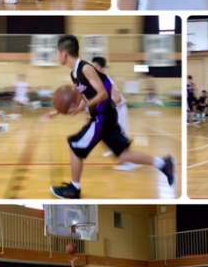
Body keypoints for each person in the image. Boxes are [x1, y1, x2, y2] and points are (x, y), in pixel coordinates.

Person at [49, 35, 175, 198]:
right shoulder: (74, 74)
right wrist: (68, 109)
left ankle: (75, 188)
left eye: (58, 52)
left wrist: (86, 106)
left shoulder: (86, 69)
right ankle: (163, 163)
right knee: (122, 154)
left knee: (75, 145)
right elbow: (82, 94)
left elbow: (103, 94)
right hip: (104, 117)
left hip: (102, 116)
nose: (57, 56)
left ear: (64, 53)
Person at [92, 56, 139, 172]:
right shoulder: (99, 80)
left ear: (101, 68)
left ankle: (130, 163)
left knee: (122, 135)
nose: (93, 69)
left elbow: (117, 98)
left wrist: (107, 108)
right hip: (114, 111)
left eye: (95, 66)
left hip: (119, 109)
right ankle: (118, 153)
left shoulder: (106, 80)